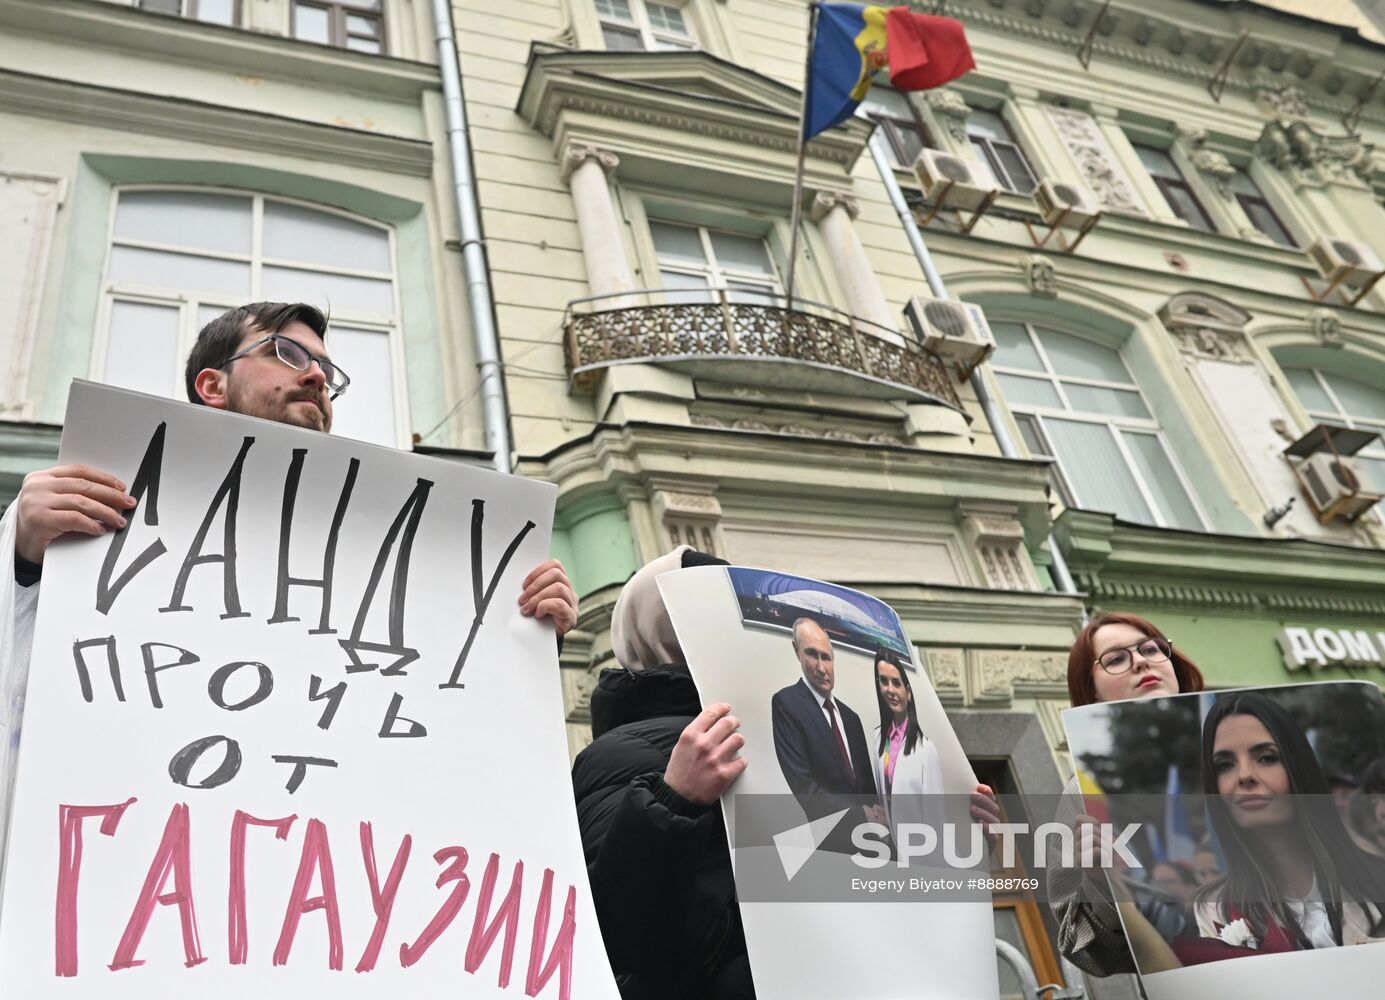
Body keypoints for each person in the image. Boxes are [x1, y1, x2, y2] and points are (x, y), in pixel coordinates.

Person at [0, 302, 579, 855]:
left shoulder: (398, 550)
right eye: (286, 353)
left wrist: (522, 641)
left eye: (326, 369)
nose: (316, 378)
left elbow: (445, 729)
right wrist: (23, 554)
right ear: (212, 385)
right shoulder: (100, 501)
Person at [571, 545, 753, 999]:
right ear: (656, 627)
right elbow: (614, 932)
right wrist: (674, 800)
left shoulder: (785, 730)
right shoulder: (616, 754)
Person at [1047, 611, 1206, 977]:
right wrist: (1103, 886)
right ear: (1092, 691)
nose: (1139, 661)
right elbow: (1087, 952)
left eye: (1151, 649)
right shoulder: (1086, 793)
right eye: (1116, 659)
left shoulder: (1249, 740)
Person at [1190, 692, 1385, 953]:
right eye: (1224, 765)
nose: (1244, 776)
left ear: (1298, 766)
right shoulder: (1215, 907)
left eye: (1267, 758)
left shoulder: (1376, 876)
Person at [770, 618, 881, 850]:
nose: (821, 668)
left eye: (826, 657)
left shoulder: (851, 718)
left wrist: (880, 817)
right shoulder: (787, 704)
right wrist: (860, 815)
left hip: (872, 843)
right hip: (831, 846)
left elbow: (867, 788)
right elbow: (803, 786)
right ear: (796, 651)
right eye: (812, 654)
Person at [870, 647, 944, 842]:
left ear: (908, 692)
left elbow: (935, 821)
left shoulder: (926, 750)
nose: (890, 690)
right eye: (884, 682)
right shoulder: (878, 738)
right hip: (889, 850)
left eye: (896, 683)